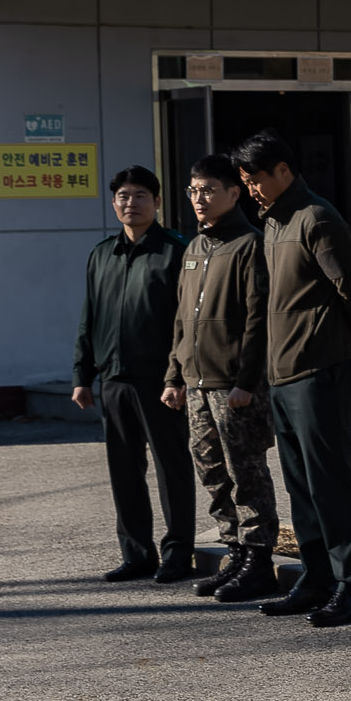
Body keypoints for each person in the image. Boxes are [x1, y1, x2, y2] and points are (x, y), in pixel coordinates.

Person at [234, 131, 351, 627]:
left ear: (284, 172)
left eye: (256, 178)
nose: (250, 188)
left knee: (331, 484)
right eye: (245, 180)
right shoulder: (273, 222)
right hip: (284, 374)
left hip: (320, 370)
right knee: (302, 488)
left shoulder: (315, 217)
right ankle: (317, 579)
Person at [161, 155, 278, 603]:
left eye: (208, 190)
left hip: (234, 386)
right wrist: (174, 375)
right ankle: (234, 552)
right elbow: (182, 320)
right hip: (196, 383)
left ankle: (258, 558)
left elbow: (256, 319)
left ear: (235, 193)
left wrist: (246, 382)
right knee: (211, 470)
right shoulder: (194, 248)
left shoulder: (250, 244)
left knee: (245, 470)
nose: (199, 199)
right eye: (193, 190)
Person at [72, 166, 194, 582]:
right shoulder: (102, 254)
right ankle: (137, 553)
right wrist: (81, 375)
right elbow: (89, 319)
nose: (131, 203)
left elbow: (185, 322)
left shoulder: (176, 252)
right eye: (123, 196)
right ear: (113, 203)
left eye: (140, 195)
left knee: (171, 466)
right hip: (114, 380)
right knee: (124, 470)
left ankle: (178, 553)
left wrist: (177, 377)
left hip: (160, 381)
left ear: (157, 202)